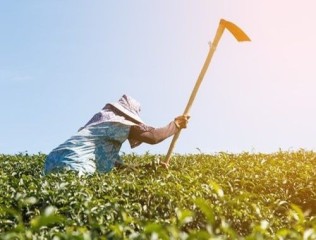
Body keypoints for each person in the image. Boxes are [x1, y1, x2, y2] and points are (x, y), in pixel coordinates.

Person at [44, 95, 189, 175]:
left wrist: (149, 167)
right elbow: (153, 137)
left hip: (51, 162)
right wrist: (175, 125)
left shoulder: (99, 127)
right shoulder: (116, 122)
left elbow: (120, 167)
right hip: (75, 165)